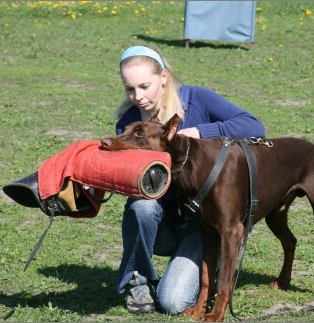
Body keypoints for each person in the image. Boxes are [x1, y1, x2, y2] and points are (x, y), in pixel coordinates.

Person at [113, 44, 265, 315]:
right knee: (141, 205)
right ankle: (137, 281)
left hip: (204, 223)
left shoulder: (197, 99)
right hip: (164, 223)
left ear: (164, 76)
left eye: (144, 86)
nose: (138, 96)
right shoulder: (129, 124)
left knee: (173, 302)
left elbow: (254, 125)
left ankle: (214, 263)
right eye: (130, 89)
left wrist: (202, 131)